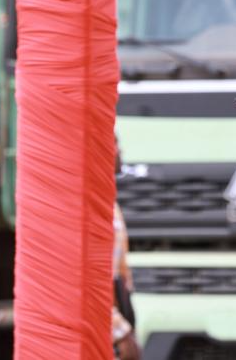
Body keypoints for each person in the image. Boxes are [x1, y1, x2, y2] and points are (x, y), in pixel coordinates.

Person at [112, 140, 141, 360]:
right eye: (114, 142)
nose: (120, 150)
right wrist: (119, 331)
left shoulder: (110, 203)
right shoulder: (90, 204)